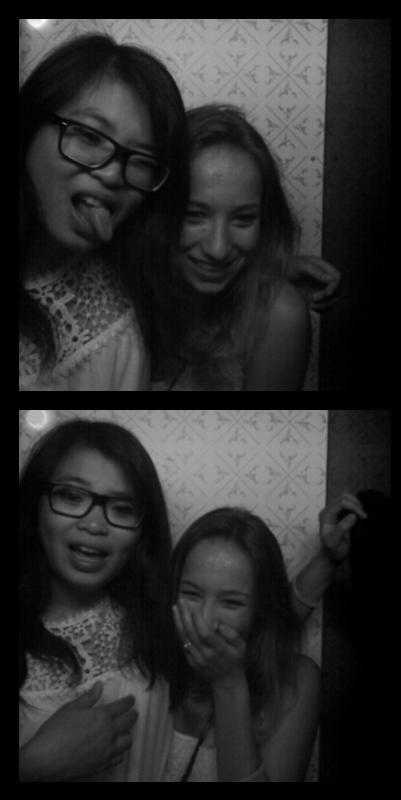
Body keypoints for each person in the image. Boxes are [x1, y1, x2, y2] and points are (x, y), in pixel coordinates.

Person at [19, 33, 188, 390]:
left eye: (141, 160)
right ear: (29, 128)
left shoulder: (116, 331)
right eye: (89, 136)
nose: (112, 175)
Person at [19, 419, 174, 780]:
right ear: (34, 505)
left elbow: (248, 637)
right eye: (72, 497)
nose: (94, 525)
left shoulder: (161, 623)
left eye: (122, 508)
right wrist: (32, 766)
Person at [148, 105, 310, 390]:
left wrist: (273, 267)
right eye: (193, 215)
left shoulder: (277, 316)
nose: (218, 249)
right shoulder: (121, 292)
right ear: (157, 212)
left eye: (243, 219)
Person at [165, 508, 320, 781]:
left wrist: (228, 683)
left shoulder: (294, 682)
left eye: (231, 603)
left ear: (260, 608)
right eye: (191, 594)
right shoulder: (151, 665)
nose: (206, 621)